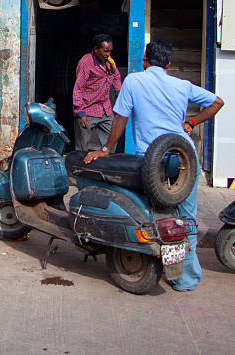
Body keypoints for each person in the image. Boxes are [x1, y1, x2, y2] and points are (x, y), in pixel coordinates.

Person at [84, 40, 224, 292]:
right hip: (184, 159)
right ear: (169, 63)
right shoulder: (182, 85)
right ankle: (186, 279)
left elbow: (120, 118)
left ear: (145, 59)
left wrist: (105, 150)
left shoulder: (134, 81)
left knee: (150, 215)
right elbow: (217, 103)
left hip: (153, 161)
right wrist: (192, 122)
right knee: (186, 218)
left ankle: (145, 262)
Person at [73, 34, 122, 151]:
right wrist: (80, 113)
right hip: (87, 110)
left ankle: (105, 166)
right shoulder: (86, 63)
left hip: (105, 109)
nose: (108, 54)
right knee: (82, 148)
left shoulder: (110, 63)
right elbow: (78, 88)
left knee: (112, 141)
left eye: (110, 51)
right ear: (96, 49)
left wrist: (119, 97)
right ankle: (81, 168)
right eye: (105, 51)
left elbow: (116, 78)